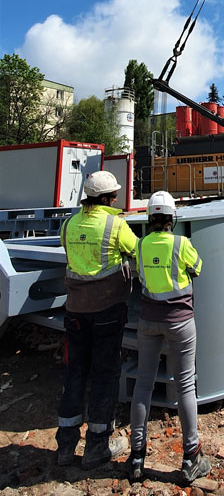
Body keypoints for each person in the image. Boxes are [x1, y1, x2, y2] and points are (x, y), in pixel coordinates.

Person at [56, 170, 137, 469]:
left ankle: (65, 446)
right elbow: (136, 251)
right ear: (105, 198)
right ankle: (97, 448)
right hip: (106, 311)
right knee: (104, 374)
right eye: (113, 195)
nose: (116, 199)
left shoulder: (69, 224)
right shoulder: (115, 224)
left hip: (75, 311)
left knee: (75, 372)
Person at [128, 191, 210, 485]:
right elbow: (197, 268)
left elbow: (138, 274)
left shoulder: (139, 245)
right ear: (172, 218)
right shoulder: (181, 244)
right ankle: (191, 458)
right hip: (180, 322)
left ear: (150, 218)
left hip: (148, 320)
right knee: (186, 384)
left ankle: (137, 456)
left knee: (143, 384)